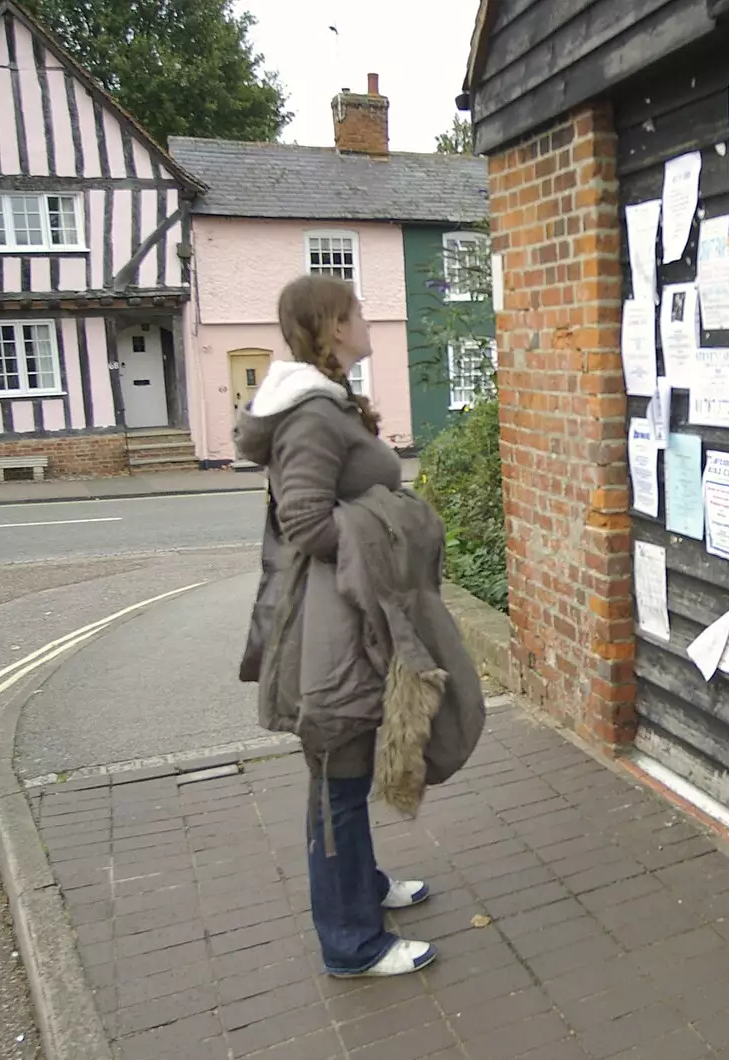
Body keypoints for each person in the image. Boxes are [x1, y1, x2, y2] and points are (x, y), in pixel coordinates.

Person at [232, 275, 435, 978]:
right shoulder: (313, 417)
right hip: (329, 623)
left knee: (346, 774)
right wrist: (392, 519)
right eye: (356, 311)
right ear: (332, 328)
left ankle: (364, 889)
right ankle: (351, 943)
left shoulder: (327, 404)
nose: (366, 318)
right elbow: (305, 523)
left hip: (348, 609)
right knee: (336, 780)